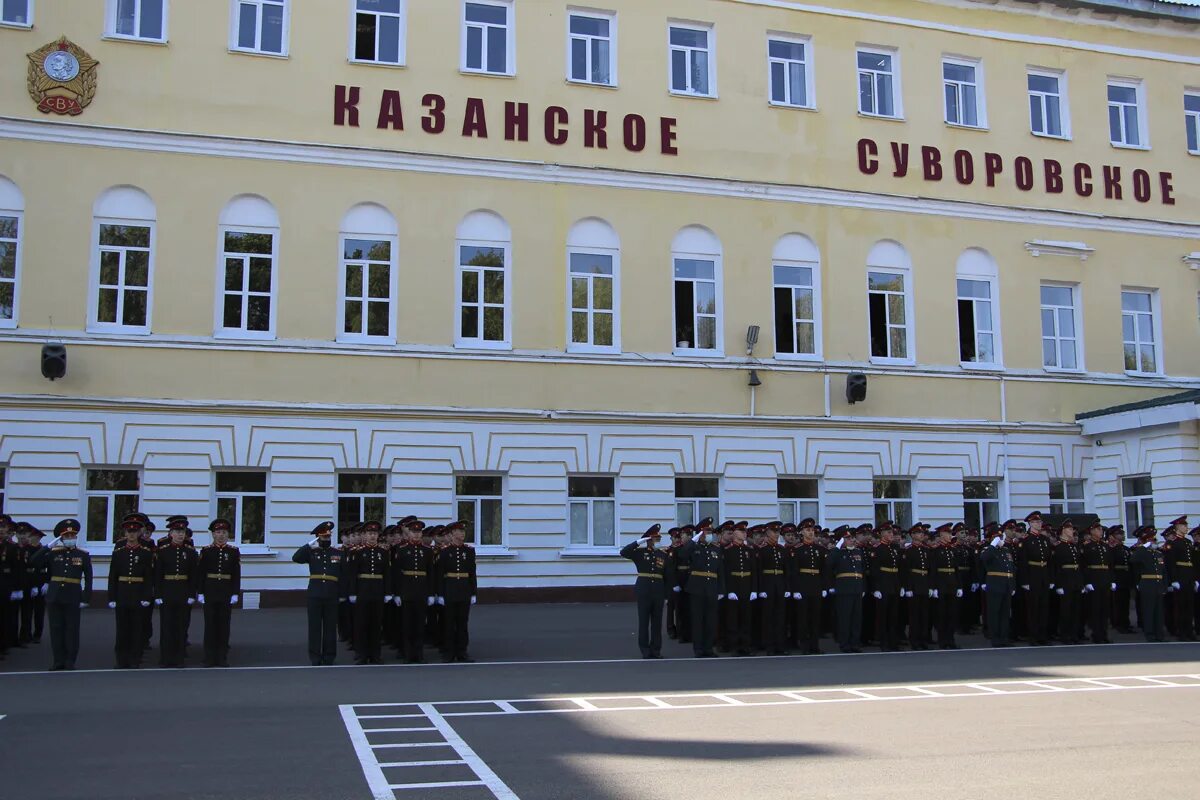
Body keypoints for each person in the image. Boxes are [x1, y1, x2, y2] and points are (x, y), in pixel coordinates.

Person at [30, 519, 93, 670]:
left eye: (73, 535)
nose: (70, 538)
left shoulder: (83, 555)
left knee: (71, 629)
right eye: (67, 536)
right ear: (61, 538)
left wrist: (86, 597)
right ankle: (58, 660)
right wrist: (47, 547)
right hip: (55, 595)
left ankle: (70, 660)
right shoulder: (53, 553)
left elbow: (89, 578)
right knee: (56, 629)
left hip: (73, 595)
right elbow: (33, 561)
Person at [292, 520, 344, 665]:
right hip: (314, 594)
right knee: (314, 627)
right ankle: (315, 656)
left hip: (332, 594)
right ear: (318, 537)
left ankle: (329, 656)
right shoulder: (311, 552)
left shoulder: (338, 553)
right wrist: (309, 545)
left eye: (328, 536)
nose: (326, 538)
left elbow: (343, 576)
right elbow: (296, 558)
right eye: (323, 536)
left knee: (330, 627)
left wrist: (342, 595)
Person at [108, 515, 155, 669]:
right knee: (122, 629)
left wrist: (147, 595)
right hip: (122, 592)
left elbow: (148, 577)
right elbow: (113, 576)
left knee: (136, 629)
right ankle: (121, 659)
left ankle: (135, 659)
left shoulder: (145, 552)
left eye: (134, 532)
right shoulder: (118, 552)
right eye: (129, 532)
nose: (132, 535)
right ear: (125, 533)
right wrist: (112, 596)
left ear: (139, 533)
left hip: (138, 593)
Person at [620, 524, 671, 659]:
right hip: (644, 590)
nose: (657, 542)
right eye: (655, 539)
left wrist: (666, 594)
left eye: (658, 539)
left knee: (657, 622)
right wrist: (639, 541)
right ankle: (645, 650)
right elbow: (624, 552)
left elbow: (667, 575)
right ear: (648, 539)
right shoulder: (640, 553)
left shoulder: (663, 554)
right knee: (644, 621)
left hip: (658, 590)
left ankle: (656, 649)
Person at [196, 518, 241, 667]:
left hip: (226, 591)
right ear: (213, 534)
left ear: (228, 535)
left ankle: (222, 657)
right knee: (210, 625)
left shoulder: (233, 551)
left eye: (224, 532)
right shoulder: (206, 551)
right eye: (218, 532)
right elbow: (201, 573)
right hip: (210, 590)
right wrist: (200, 592)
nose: (221, 535)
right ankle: (209, 657)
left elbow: (236, 573)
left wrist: (235, 592)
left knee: (223, 625)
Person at [154, 517, 198, 667]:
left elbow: (193, 575)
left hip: (183, 592)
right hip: (167, 591)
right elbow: (158, 575)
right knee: (166, 626)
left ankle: (178, 658)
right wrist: (158, 594)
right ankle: (166, 658)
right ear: (171, 533)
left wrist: (192, 594)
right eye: (177, 531)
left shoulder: (190, 552)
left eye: (183, 532)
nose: (180, 535)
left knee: (181, 626)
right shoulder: (162, 551)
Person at [392, 516, 434, 664]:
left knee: (420, 625)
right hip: (407, 591)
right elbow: (397, 573)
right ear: (408, 533)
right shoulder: (402, 550)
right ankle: (408, 654)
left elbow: (431, 573)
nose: (416, 534)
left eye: (419, 532)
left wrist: (431, 593)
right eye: (413, 532)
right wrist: (397, 593)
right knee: (407, 624)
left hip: (421, 591)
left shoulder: (427, 551)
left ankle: (419, 653)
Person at [435, 520, 477, 663]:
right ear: (452, 534)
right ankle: (449, 652)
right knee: (449, 623)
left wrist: (473, 592)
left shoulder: (469, 551)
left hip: (464, 590)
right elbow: (440, 574)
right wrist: (440, 594)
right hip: (450, 590)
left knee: (462, 623)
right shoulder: (445, 551)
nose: (462, 534)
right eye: (459, 531)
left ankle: (462, 651)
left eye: (463, 531)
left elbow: (472, 573)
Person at [349, 520, 390, 665]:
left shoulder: (383, 552)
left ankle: (375, 654)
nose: (373, 536)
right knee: (361, 624)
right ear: (364, 535)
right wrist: (352, 592)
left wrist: (387, 592)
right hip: (363, 590)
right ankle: (361, 654)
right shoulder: (357, 552)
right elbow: (353, 573)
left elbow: (387, 573)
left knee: (376, 624)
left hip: (378, 590)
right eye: (370, 533)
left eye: (375, 533)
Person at [686, 519, 724, 658]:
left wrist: (721, 590)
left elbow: (721, 571)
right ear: (700, 533)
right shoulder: (694, 547)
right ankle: (698, 648)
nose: (709, 534)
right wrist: (694, 539)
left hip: (712, 588)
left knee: (711, 620)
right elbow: (683, 554)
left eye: (710, 532)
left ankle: (708, 648)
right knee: (698, 620)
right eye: (707, 531)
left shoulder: (716, 549)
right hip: (697, 587)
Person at [827, 526, 866, 653]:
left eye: (852, 538)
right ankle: (844, 644)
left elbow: (862, 571)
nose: (852, 540)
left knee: (856, 618)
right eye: (848, 538)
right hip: (844, 589)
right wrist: (837, 548)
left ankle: (855, 643)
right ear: (841, 540)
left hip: (857, 588)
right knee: (845, 618)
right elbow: (829, 565)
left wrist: (863, 587)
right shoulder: (837, 553)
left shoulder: (858, 552)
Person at [722, 520, 758, 656]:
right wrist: (729, 590)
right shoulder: (728, 551)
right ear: (735, 533)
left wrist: (754, 589)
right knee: (733, 619)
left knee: (746, 618)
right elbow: (726, 572)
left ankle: (746, 646)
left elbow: (754, 571)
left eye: (745, 531)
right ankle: (735, 646)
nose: (744, 533)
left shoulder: (749, 550)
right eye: (741, 531)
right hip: (734, 586)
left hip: (747, 586)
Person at [1018, 511, 1054, 646]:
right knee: (1033, 608)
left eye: (1040, 522)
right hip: (1032, 575)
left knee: (1044, 607)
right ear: (1030, 524)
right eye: (1036, 522)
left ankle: (1042, 635)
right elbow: (1023, 562)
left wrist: (1051, 579)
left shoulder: (1045, 540)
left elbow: (1049, 561)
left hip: (1043, 574)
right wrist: (1025, 581)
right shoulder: (1026, 541)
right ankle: (1033, 636)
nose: (1039, 524)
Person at [791, 519, 825, 655]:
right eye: (807, 530)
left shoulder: (820, 549)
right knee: (803, 618)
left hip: (816, 585)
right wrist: (796, 589)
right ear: (801, 532)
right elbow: (794, 572)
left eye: (812, 530)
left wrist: (824, 587)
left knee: (815, 617)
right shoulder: (797, 549)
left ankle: (814, 645)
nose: (810, 533)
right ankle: (804, 646)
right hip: (803, 586)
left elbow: (824, 570)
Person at [979, 522, 1016, 647]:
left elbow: (1010, 568)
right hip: (995, 584)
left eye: (1001, 537)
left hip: (1006, 584)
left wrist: (1012, 585)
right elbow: (984, 559)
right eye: (997, 537)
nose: (1000, 539)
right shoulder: (988, 550)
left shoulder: (1006, 550)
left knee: (1005, 613)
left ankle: (1004, 637)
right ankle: (995, 638)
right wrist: (993, 545)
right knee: (994, 612)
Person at [1129, 526, 1168, 642]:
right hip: (1147, 584)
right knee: (1149, 610)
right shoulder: (1142, 552)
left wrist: (1165, 585)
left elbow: (1163, 571)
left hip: (1158, 584)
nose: (1154, 542)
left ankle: (1159, 634)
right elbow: (1133, 559)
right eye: (1151, 540)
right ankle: (1150, 634)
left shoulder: (1158, 554)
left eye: (1154, 540)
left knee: (1159, 611)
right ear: (1146, 541)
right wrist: (1143, 547)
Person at [758, 523, 790, 655]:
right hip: (768, 584)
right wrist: (761, 588)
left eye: (778, 532)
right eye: (773, 532)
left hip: (780, 585)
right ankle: (769, 646)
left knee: (780, 617)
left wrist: (787, 587)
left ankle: (780, 645)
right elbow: (759, 571)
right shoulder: (762, 550)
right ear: (767, 533)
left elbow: (787, 570)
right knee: (768, 617)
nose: (776, 534)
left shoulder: (782, 550)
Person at [871, 523, 903, 651]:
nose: (891, 535)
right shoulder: (877, 548)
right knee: (883, 615)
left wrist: (901, 585)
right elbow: (875, 570)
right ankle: (883, 642)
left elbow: (900, 568)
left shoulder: (895, 547)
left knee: (894, 615)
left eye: (892, 533)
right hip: (884, 583)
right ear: (881, 533)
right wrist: (876, 588)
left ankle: (893, 641)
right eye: (888, 532)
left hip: (894, 582)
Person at [1051, 520, 1084, 644]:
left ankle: (1074, 634)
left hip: (1075, 579)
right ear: (1063, 530)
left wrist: (1081, 583)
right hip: (1065, 580)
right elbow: (1056, 567)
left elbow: (1079, 565)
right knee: (1066, 610)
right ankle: (1065, 635)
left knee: (1076, 609)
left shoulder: (1073, 546)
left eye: (1072, 529)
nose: (1072, 531)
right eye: (1070, 529)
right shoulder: (1058, 547)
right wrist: (1058, 585)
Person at [1163, 516, 1195, 641]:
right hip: (1180, 576)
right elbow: (1171, 563)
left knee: (1189, 605)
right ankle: (1181, 631)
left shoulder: (1188, 542)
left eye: (1186, 525)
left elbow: (1192, 562)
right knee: (1180, 606)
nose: (1186, 528)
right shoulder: (1172, 543)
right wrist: (1174, 580)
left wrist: (1195, 579)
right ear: (1177, 527)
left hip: (1188, 576)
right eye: (1184, 526)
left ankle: (1189, 631)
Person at [1081, 521, 1113, 644]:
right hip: (1094, 579)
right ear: (1092, 531)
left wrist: (1112, 580)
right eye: (1098, 530)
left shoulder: (1105, 546)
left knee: (1105, 609)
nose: (1101, 532)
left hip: (1104, 579)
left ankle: (1104, 633)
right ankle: (1096, 634)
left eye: (1101, 530)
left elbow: (1110, 564)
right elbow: (1084, 565)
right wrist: (1087, 581)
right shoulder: (1087, 546)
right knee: (1095, 608)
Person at [902, 524, 932, 650]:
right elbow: (906, 571)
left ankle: (923, 640)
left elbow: (930, 569)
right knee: (915, 615)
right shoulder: (909, 551)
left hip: (924, 583)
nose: (921, 535)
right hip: (914, 584)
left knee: (924, 615)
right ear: (912, 535)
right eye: (918, 533)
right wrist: (908, 588)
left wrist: (931, 586)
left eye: (922, 533)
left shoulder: (926, 550)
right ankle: (914, 641)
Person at [1107, 526, 1133, 633]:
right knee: (1118, 603)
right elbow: (1111, 565)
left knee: (1125, 602)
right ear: (1113, 536)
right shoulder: (1112, 549)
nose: (1122, 535)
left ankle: (1125, 623)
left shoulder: (1125, 549)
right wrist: (1112, 580)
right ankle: (1118, 624)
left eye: (1122, 533)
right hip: (1117, 577)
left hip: (1125, 578)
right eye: (1119, 533)